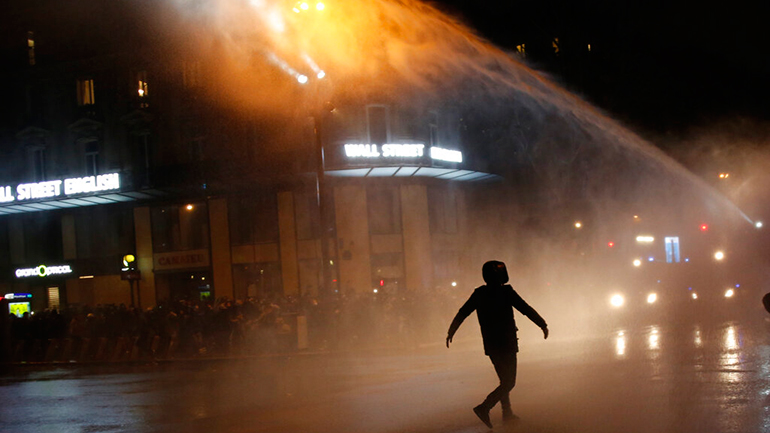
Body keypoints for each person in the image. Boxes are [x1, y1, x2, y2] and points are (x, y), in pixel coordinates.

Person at [446, 260, 548, 428]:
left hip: (492, 345)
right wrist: (542, 324)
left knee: (504, 380)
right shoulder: (506, 292)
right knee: (509, 382)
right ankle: (484, 407)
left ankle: (506, 413)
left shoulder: (479, 294)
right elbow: (525, 309)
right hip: (507, 342)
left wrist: (451, 331)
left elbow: (462, 313)